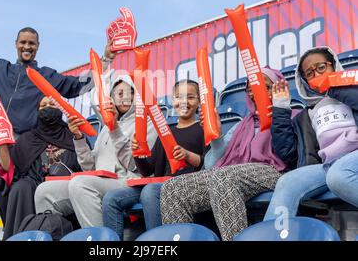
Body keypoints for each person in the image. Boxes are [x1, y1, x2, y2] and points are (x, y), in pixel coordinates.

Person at [0, 0, 114, 235]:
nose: (27, 47)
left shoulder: (45, 76)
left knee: (8, 204)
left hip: (10, 145)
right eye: (23, 42)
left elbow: (77, 85)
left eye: (32, 43)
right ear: (16, 44)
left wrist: (106, 60)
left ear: (37, 47)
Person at [160, 67, 296, 241]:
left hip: (274, 172)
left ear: (279, 88)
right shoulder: (241, 126)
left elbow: (288, 155)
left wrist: (280, 111)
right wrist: (216, 136)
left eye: (265, 87)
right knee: (172, 188)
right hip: (232, 175)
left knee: (223, 177)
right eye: (250, 89)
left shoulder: (291, 116)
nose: (256, 93)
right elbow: (211, 165)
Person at [34, 74, 158, 228]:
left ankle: (101, 242)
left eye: (130, 92)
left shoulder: (147, 123)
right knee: (44, 192)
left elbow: (135, 166)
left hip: (128, 183)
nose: (125, 97)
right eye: (119, 93)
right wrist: (78, 138)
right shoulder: (106, 128)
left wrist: (115, 129)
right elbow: (89, 168)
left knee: (81, 185)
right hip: (100, 182)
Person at [102, 79, 206, 240]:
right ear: (173, 100)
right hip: (159, 184)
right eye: (179, 97)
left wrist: (187, 155)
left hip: (185, 185)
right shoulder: (165, 132)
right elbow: (147, 170)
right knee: (111, 198)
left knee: (150, 191)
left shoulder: (203, 129)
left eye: (190, 97)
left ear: (199, 101)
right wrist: (137, 154)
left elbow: (208, 163)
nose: (184, 102)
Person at [264, 47, 358, 221]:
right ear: (305, 80)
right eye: (309, 73)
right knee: (287, 181)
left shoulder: (352, 90)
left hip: (352, 158)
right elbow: (287, 152)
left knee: (338, 175)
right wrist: (281, 109)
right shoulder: (305, 116)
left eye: (321, 67)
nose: (316, 74)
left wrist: (333, 86)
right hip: (328, 165)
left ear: (333, 65)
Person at [0, 96, 81, 240]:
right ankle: (20, 236)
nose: (47, 108)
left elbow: (85, 166)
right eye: (43, 106)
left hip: (65, 186)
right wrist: (1, 145)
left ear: (60, 109)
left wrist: (78, 136)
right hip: (34, 184)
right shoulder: (27, 139)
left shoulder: (73, 134)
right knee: (20, 187)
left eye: (52, 104)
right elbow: (10, 173)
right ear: (37, 111)